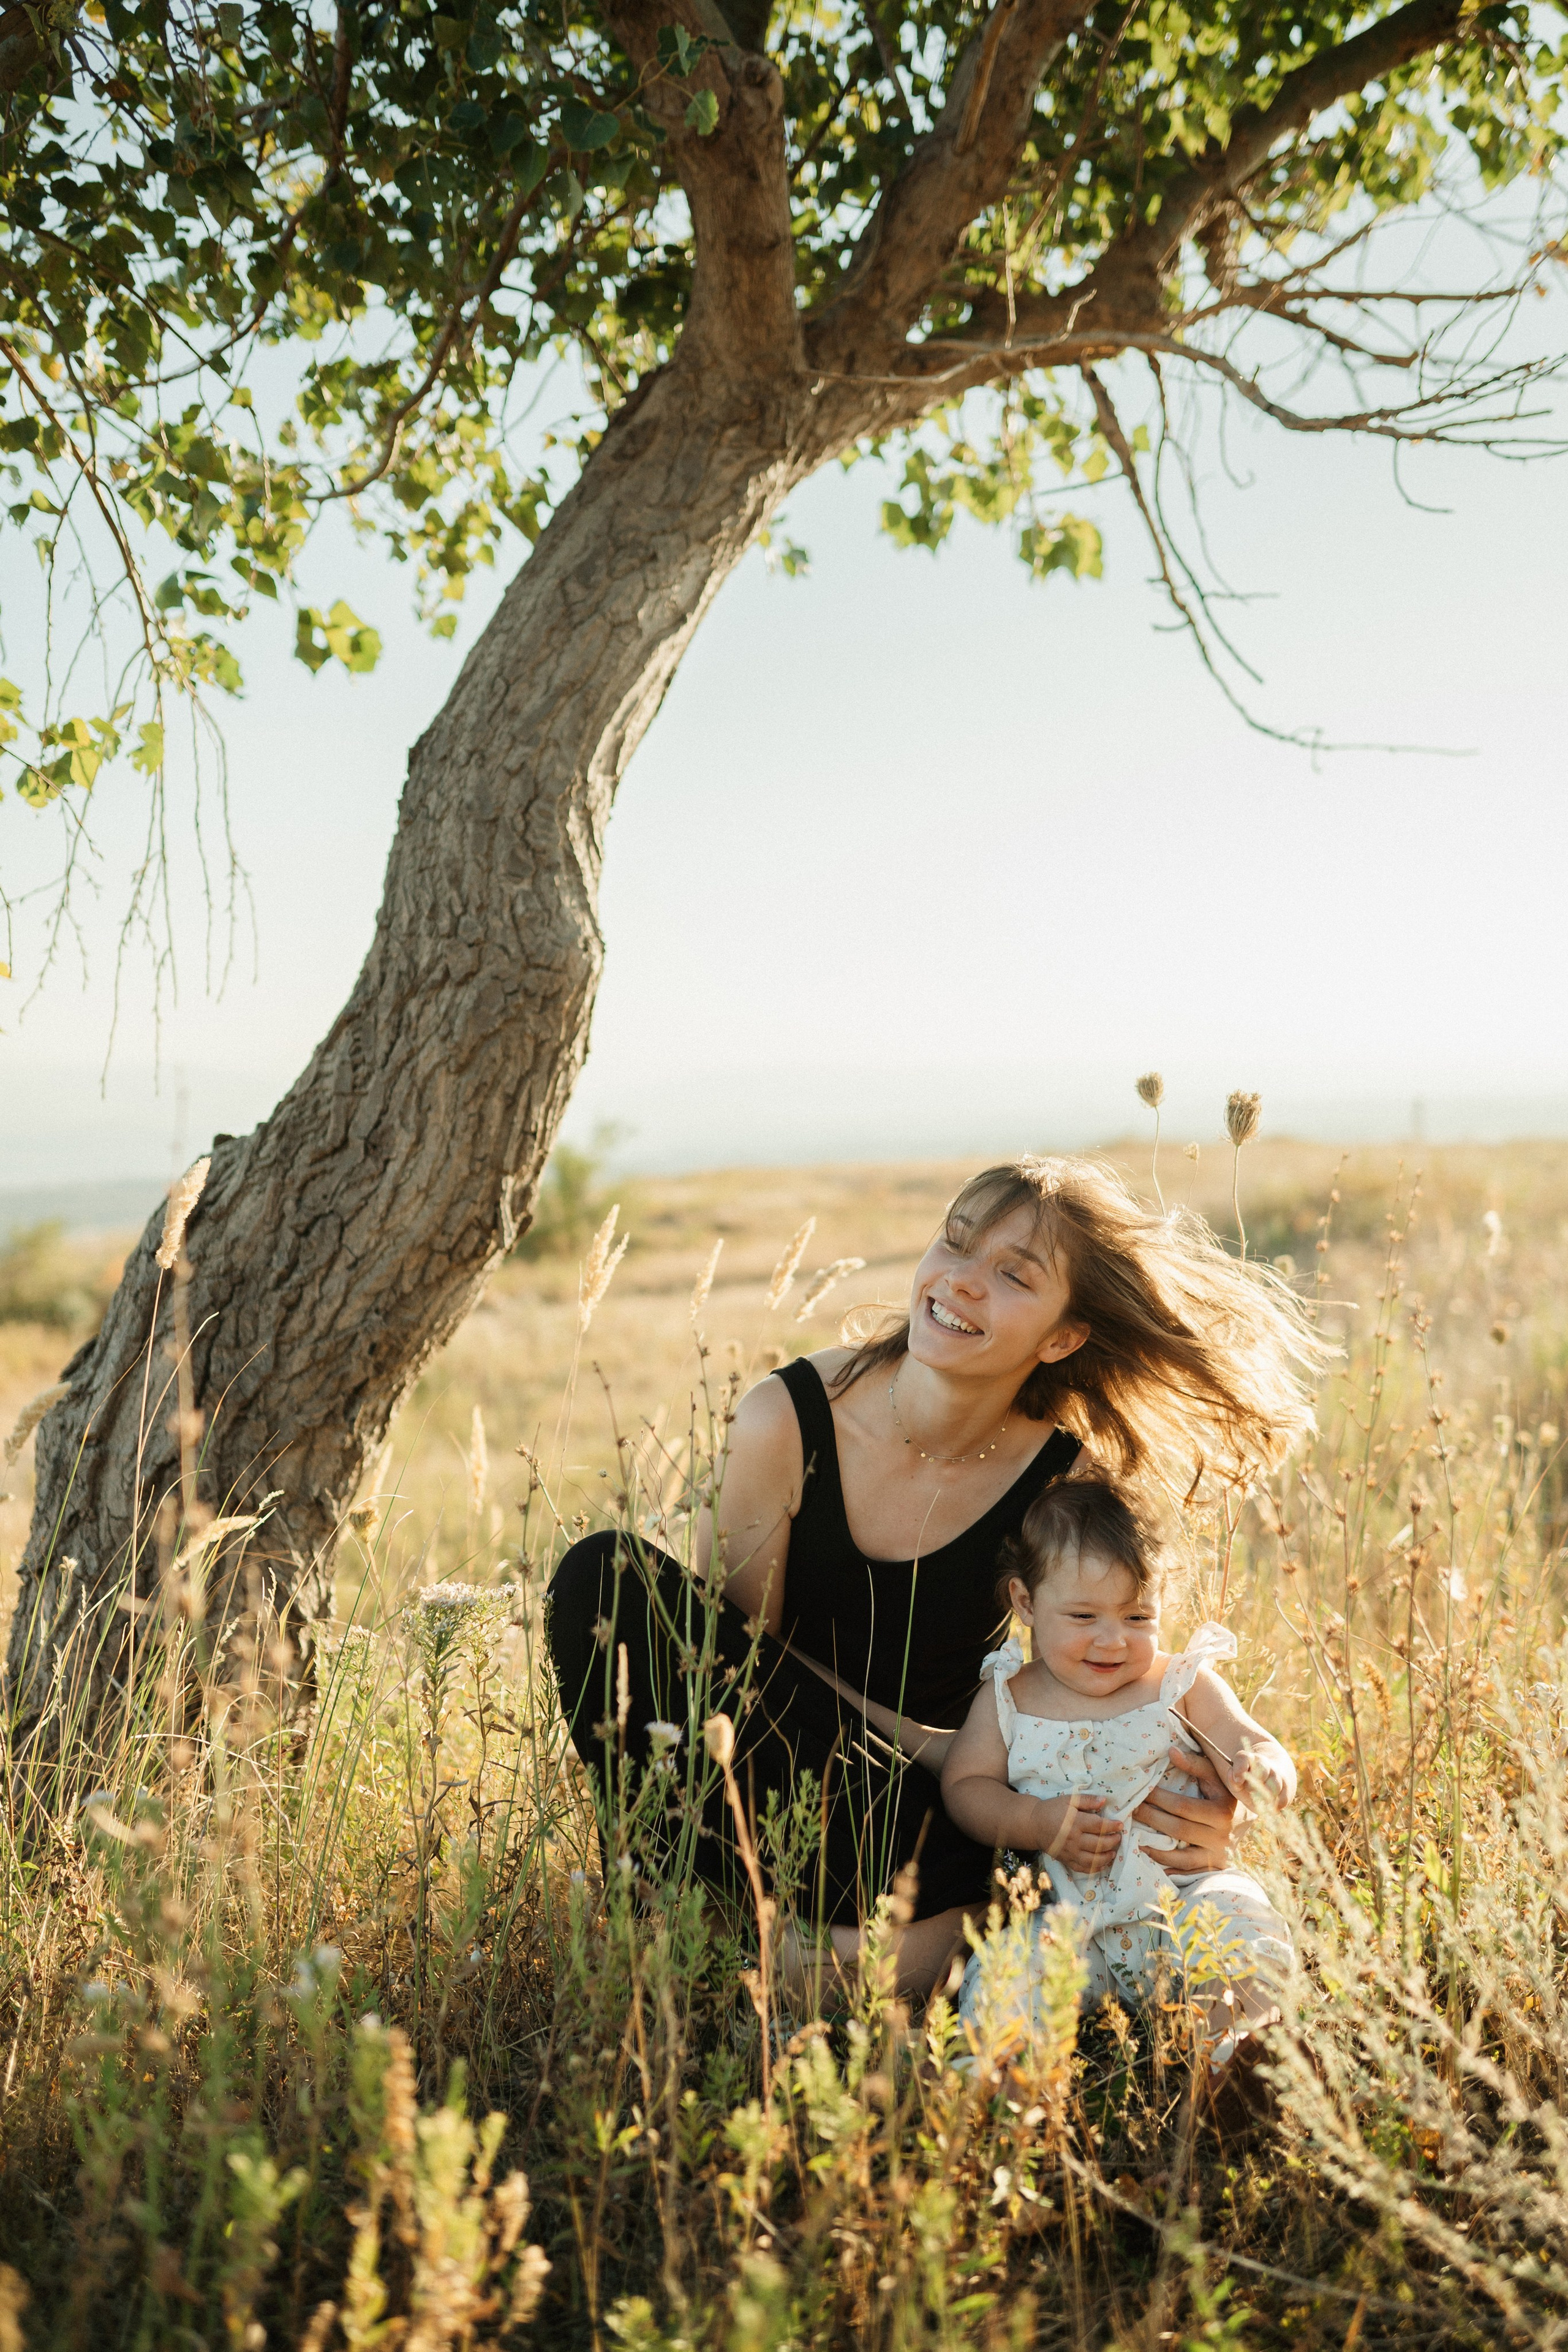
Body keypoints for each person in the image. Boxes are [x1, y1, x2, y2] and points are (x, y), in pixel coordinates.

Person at [546, 1155, 1325, 1997]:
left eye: (1012, 1275)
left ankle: (843, 1955)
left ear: (1061, 1338)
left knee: (965, 1884)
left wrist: (1195, 1796)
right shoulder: (790, 1419)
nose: (960, 1283)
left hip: (943, 1806)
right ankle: (735, 1925)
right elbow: (729, 1670)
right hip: (786, 1770)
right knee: (603, 1577)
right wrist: (897, 1739)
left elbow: (1111, 1680)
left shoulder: (1062, 1489)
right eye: (954, 1245)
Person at [942, 1476, 1294, 2062]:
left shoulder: (1180, 1682)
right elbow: (965, 1786)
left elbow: (1249, 1739)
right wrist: (1034, 1820)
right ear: (1025, 1603)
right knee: (1005, 1973)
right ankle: (1003, 2077)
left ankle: (1235, 2054)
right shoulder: (1011, 1694)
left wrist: (1264, 1767)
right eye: (1084, 1616)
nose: (1113, 1641)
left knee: (1243, 1923)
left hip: (1185, 1901)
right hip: (1069, 1925)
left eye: (1137, 1617)